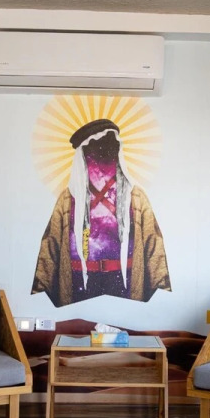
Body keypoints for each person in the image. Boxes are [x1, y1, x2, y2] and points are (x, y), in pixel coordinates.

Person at [32, 118, 171, 307]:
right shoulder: (67, 200)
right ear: (84, 154)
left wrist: (160, 299)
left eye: (109, 146)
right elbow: (49, 251)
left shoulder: (136, 197)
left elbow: (154, 249)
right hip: (79, 284)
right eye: (95, 148)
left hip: (124, 284)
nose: (102, 152)